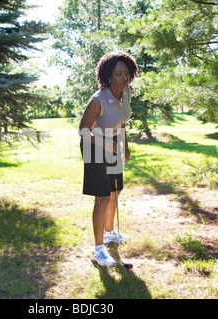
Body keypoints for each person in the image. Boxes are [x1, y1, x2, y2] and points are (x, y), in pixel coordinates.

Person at [79, 52, 138, 267]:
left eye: (127, 74)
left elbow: (121, 121)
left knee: (116, 190)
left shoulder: (126, 92)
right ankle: (97, 250)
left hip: (112, 142)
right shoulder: (98, 100)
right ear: (109, 76)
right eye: (119, 74)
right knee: (102, 196)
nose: (124, 78)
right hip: (93, 145)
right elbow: (83, 131)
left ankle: (109, 232)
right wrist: (105, 144)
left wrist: (126, 145)